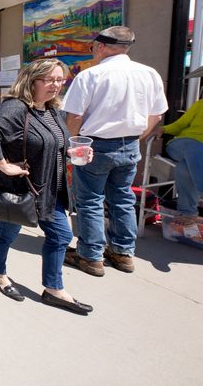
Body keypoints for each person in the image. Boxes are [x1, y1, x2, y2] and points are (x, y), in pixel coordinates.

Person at [0, 59, 94, 315]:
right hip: (21, 190)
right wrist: (4, 166)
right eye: (50, 80)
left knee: (62, 236)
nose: (56, 85)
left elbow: (54, 144)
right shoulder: (16, 108)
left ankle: (53, 290)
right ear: (32, 81)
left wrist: (75, 153)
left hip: (50, 191)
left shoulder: (52, 110)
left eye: (60, 80)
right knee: (6, 233)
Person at [63, 26, 168, 276]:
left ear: (100, 46)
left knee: (90, 200)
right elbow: (157, 113)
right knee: (122, 198)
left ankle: (90, 255)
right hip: (130, 143)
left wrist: (72, 143)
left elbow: (75, 116)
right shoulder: (148, 73)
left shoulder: (91, 75)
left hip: (95, 143)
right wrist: (137, 138)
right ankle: (123, 252)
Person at [150, 98, 203, 217]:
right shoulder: (200, 104)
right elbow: (180, 125)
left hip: (195, 155)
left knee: (184, 168)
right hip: (183, 144)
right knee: (194, 149)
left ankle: (187, 214)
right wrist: (163, 129)